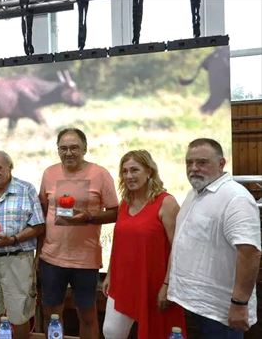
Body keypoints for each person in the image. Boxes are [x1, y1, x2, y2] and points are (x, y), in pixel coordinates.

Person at [168, 138, 261, 338]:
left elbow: (250, 253)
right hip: (195, 303)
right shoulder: (194, 194)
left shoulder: (236, 198)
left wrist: (239, 303)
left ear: (221, 164)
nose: (193, 168)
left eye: (202, 162)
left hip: (221, 312)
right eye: (189, 163)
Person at [38, 128, 119, 339]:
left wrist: (89, 216)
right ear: (58, 151)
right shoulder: (49, 173)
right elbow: (43, 211)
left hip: (85, 260)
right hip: (52, 258)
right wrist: (37, 253)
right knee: (51, 316)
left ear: (84, 149)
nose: (69, 153)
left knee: (87, 315)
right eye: (63, 148)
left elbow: (115, 212)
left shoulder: (100, 174)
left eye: (74, 148)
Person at [101, 150, 186, 338]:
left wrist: (168, 284)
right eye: (125, 171)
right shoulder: (125, 203)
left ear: (149, 172)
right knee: (111, 332)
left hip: (154, 282)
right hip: (123, 281)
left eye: (134, 170)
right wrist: (110, 274)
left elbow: (178, 248)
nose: (129, 176)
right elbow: (119, 242)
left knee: (155, 333)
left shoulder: (167, 203)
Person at [0, 150, 45, 339]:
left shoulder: (25, 190)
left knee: (19, 312)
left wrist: (13, 239)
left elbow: (38, 225)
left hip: (17, 259)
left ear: (10, 168)